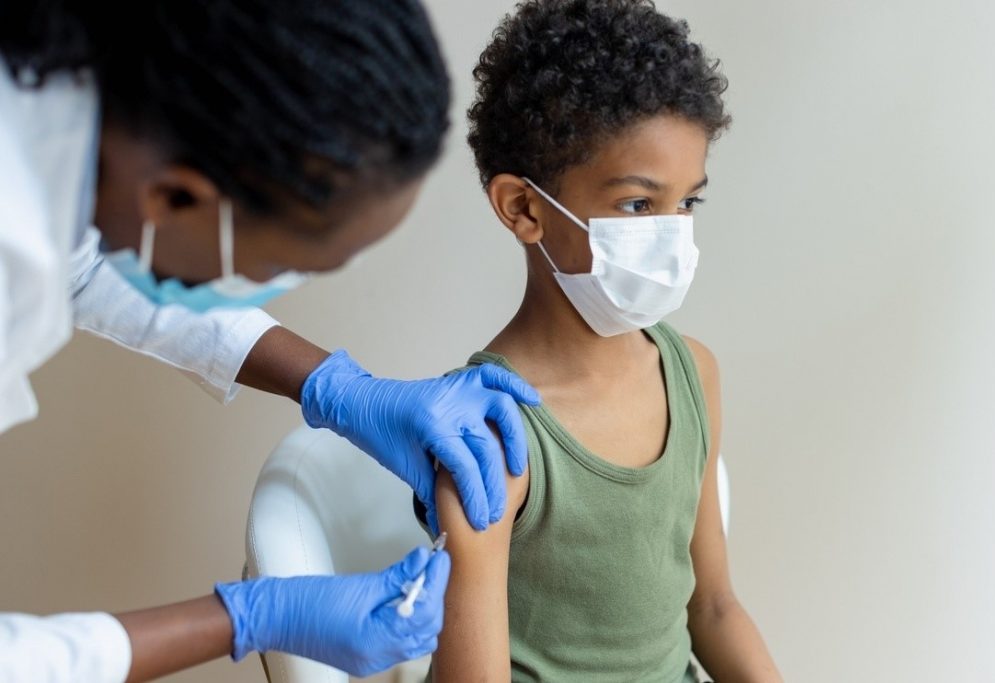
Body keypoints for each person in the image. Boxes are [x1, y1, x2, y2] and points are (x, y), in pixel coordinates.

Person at [0, 1, 540, 681]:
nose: (271, 283)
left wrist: (333, 385)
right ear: (175, 197)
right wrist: (247, 617)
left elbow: (86, 261)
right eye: (281, 263)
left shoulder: (74, 135)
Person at [420, 1, 784, 680]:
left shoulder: (692, 372)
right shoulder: (490, 427)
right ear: (524, 208)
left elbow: (713, 607)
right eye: (639, 205)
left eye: (687, 202)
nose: (672, 234)